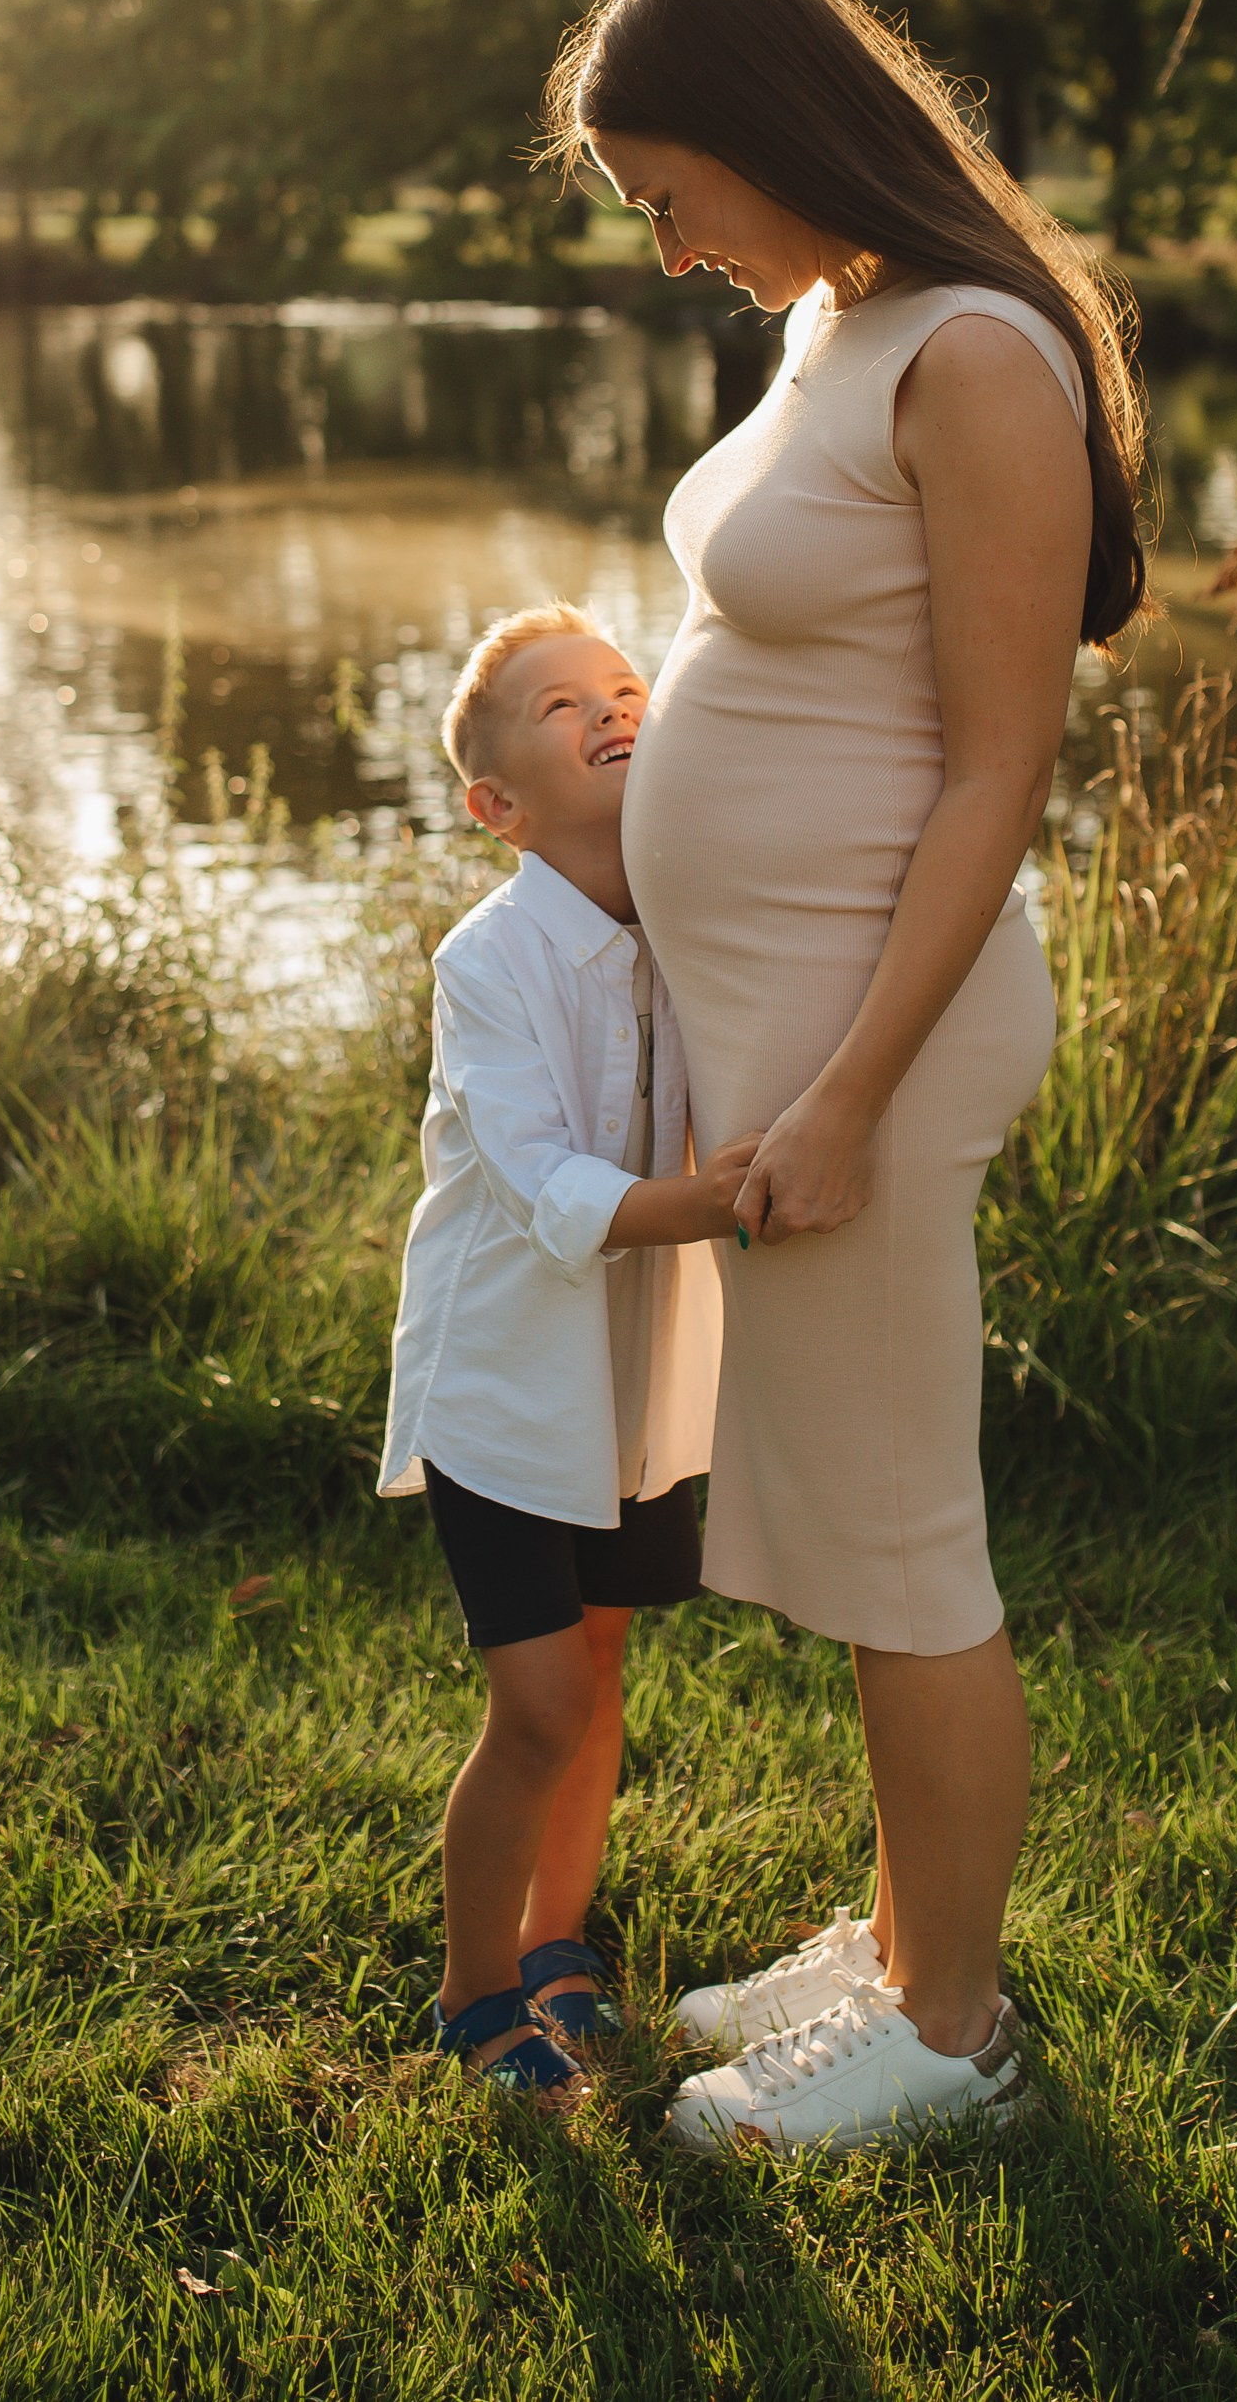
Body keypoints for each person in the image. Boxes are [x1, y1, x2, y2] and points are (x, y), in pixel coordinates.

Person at [542, 0, 1147, 2157]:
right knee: (840, 1505)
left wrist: (839, 1095)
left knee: (903, 1537)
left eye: (676, 194)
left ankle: (953, 2029)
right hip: (780, 1017)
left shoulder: (978, 357)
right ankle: (898, 1943)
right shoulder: (834, 319)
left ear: (783, 133)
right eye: (641, 213)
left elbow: (997, 773)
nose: (675, 247)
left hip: (872, 1040)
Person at [378, 602, 758, 2099]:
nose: (610, 705)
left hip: (636, 1393)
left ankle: (556, 1941)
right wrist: (708, 1204)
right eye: (560, 707)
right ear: (498, 808)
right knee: (533, 1706)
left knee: (597, 1675)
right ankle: (477, 1994)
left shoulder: (691, 921)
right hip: (509, 1390)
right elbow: (541, 1183)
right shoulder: (491, 960)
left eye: (623, 684)